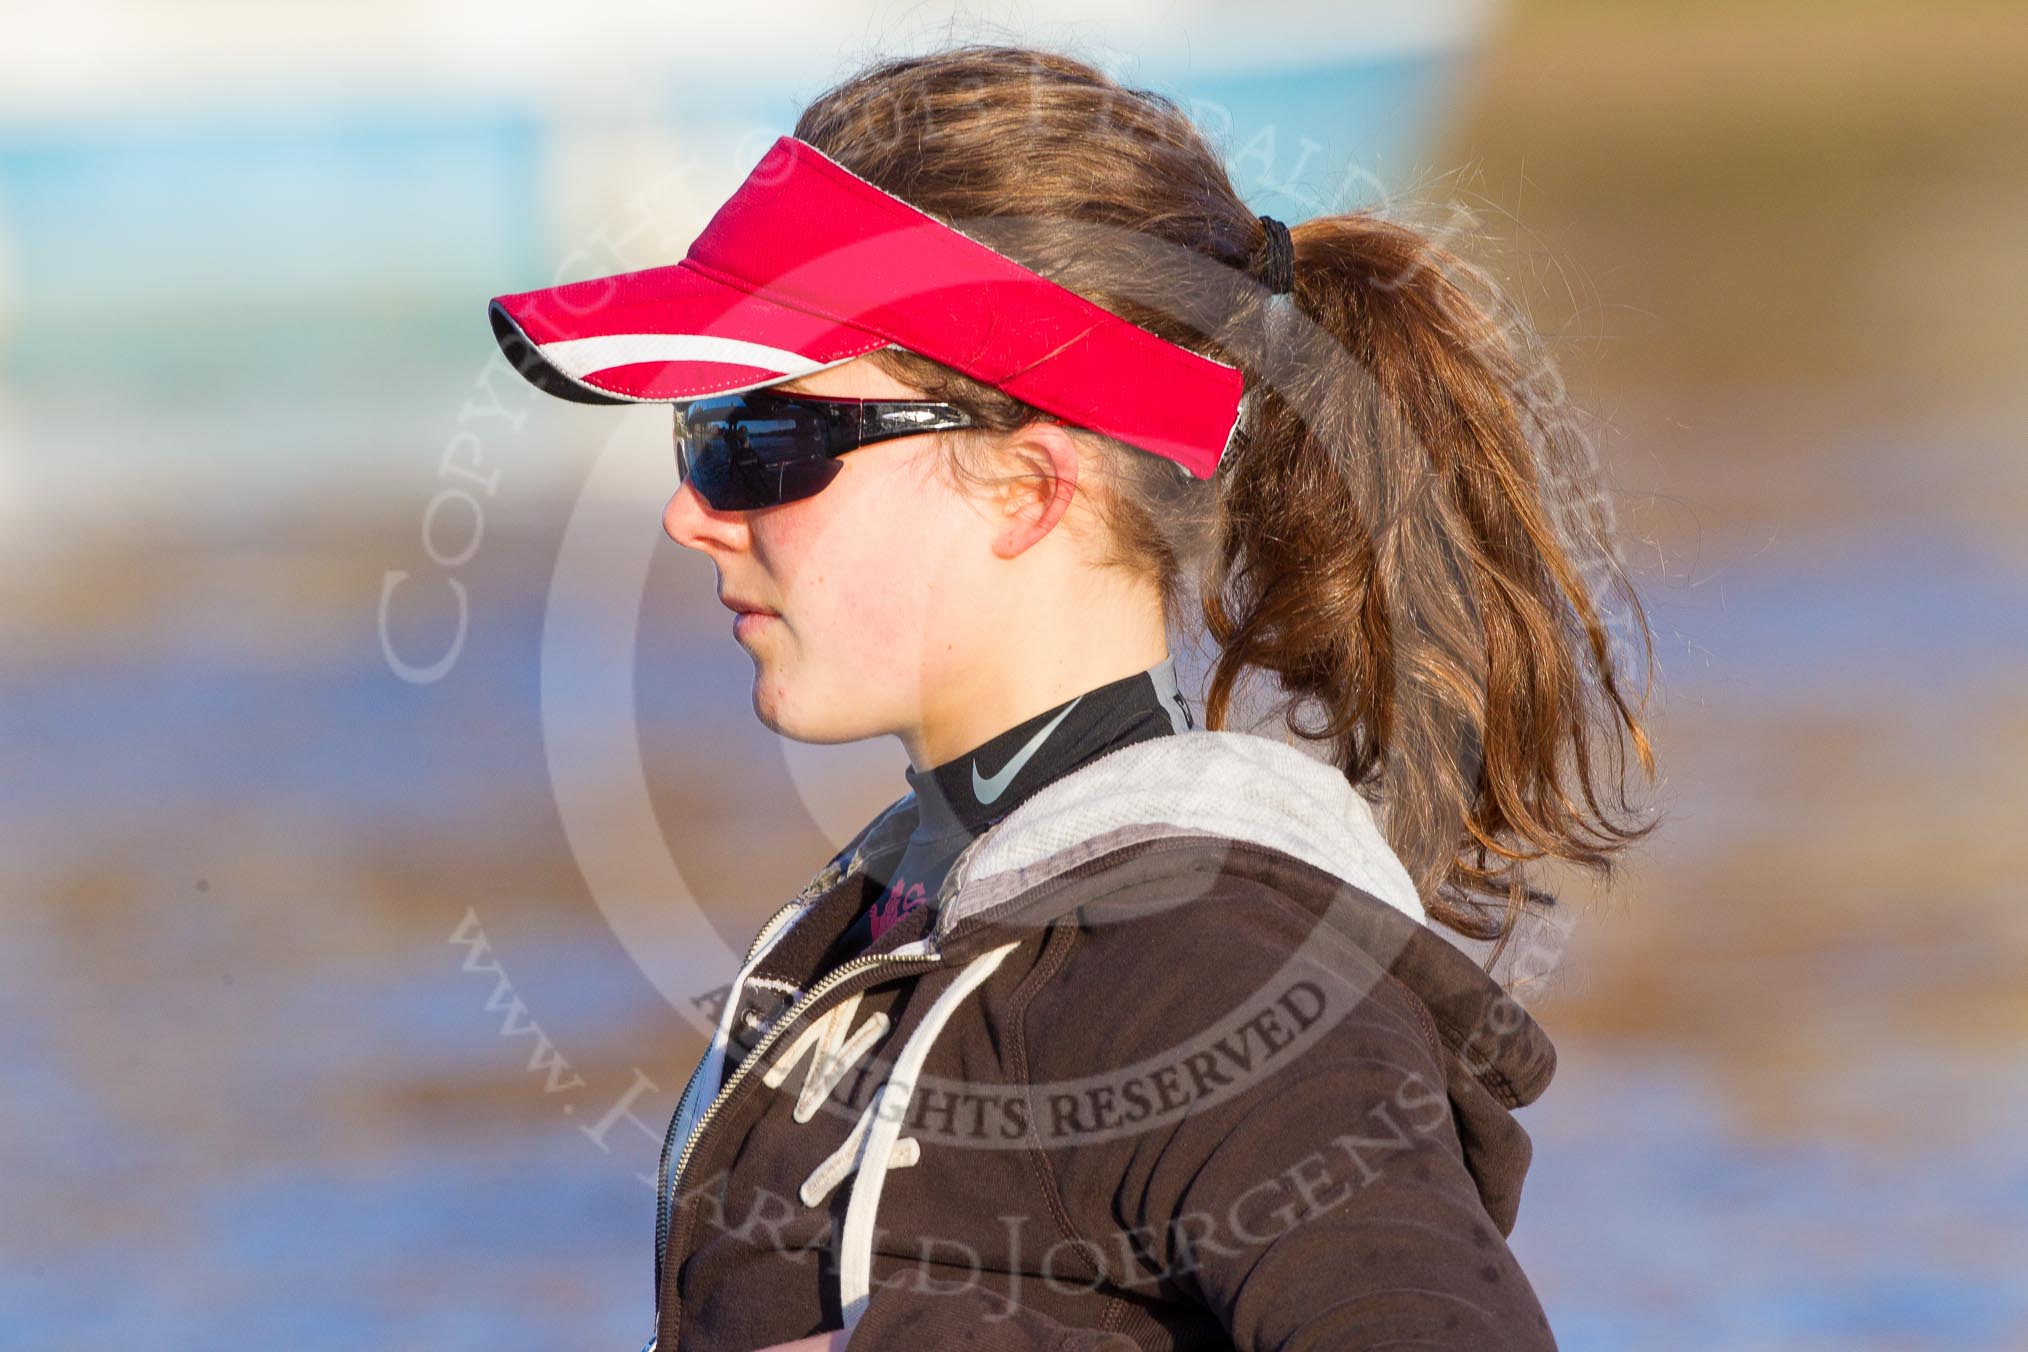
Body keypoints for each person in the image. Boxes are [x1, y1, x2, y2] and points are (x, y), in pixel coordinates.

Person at [488, 44, 1657, 1352]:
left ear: (1030, 489)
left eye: (766, 440)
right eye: (702, 432)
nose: (691, 511)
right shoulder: (876, 932)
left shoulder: (1217, 977)